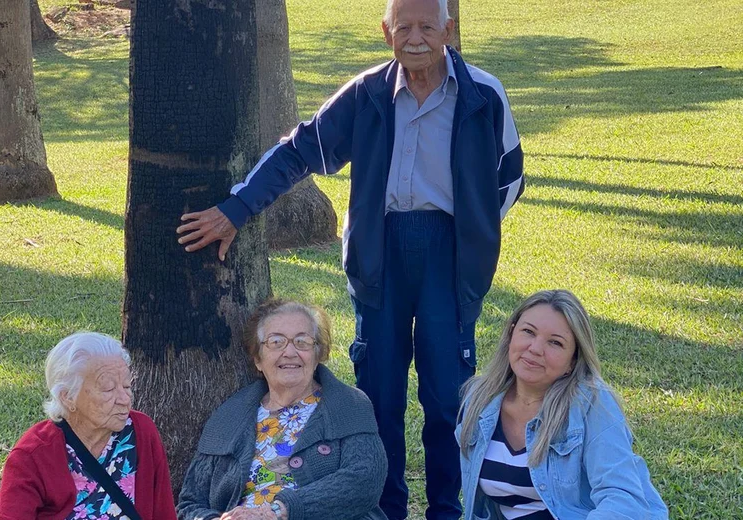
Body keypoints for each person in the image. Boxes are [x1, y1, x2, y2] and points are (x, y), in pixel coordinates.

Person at [176, 0, 523, 517]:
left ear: (449, 31)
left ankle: (448, 510)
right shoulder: (367, 93)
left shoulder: (483, 94)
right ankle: (384, 509)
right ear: (386, 33)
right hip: (379, 256)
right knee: (378, 394)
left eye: (428, 26)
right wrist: (235, 210)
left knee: (447, 396)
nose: (416, 38)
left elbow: (510, 176)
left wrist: (473, 229)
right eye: (403, 27)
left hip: (448, 261)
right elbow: (297, 151)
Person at [456, 290, 669, 520]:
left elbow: (623, 497)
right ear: (511, 333)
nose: (536, 349)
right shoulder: (479, 399)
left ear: (573, 361)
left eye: (555, 343)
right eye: (528, 331)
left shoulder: (592, 404)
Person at [176, 299, 388, 520]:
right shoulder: (230, 416)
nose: (290, 352)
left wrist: (278, 512)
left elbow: (365, 480)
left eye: (302, 341)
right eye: (276, 342)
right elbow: (190, 503)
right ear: (257, 358)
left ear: (318, 355)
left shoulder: (348, 404)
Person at [0, 332, 176, 520]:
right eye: (108, 389)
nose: (125, 399)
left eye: (127, 386)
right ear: (68, 397)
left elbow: (163, 512)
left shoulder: (141, 431)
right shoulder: (34, 455)